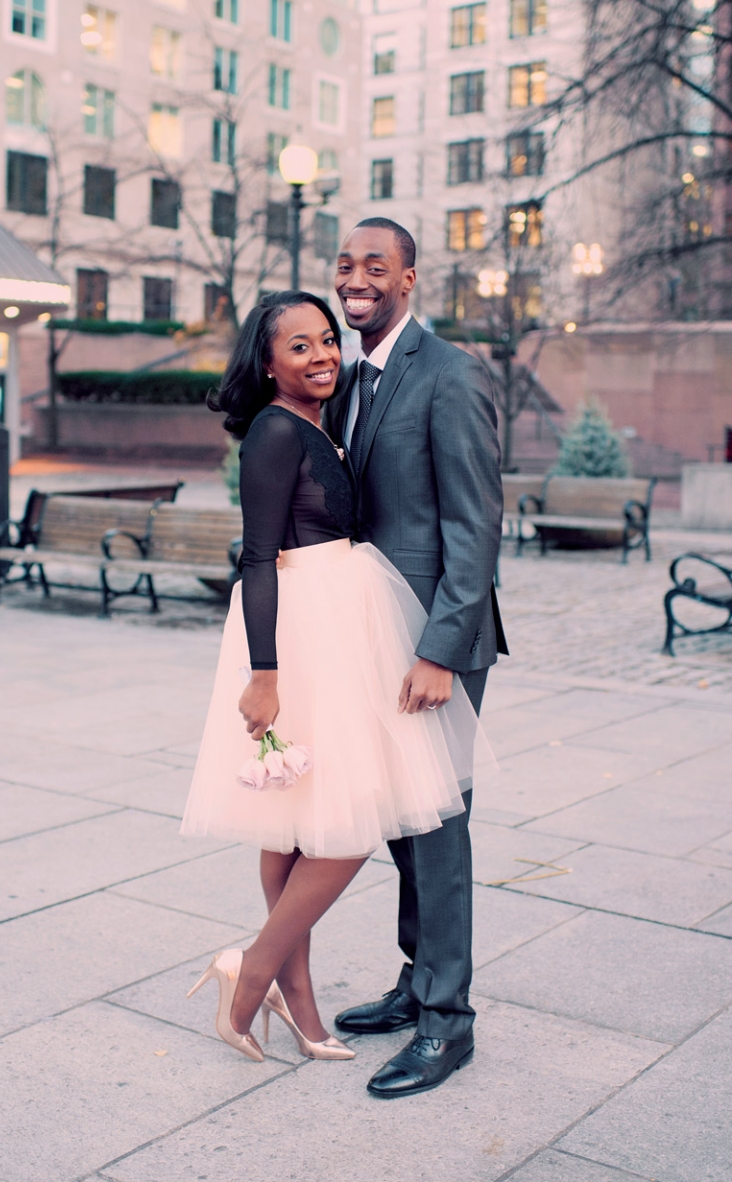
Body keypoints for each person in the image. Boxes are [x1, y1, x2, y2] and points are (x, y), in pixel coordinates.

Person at [180, 291, 493, 1071]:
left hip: (348, 624)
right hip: (303, 632)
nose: (321, 355)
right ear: (266, 361)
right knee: (346, 819)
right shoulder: (275, 432)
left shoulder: (328, 409)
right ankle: (252, 971)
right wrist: (263, 674)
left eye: (327, 340)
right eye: (299, 347)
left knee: (306, 821)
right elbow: (256, 557)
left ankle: (300, 1000)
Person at [324, 218, 507, 1098]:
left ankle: (448, 1023)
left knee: (436, 827)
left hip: (435, 640)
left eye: (375, 266)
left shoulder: (450, 372)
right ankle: (414, 981)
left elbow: (475, 525)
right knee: (401, 820)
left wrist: (440, 648)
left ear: (409, 279)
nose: (357, 279)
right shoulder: (352, 377)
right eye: (345, 265)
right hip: (373, 634)